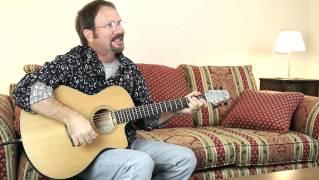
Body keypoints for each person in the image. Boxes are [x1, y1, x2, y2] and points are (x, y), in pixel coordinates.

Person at [13, 0, 207, 179]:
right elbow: (24, 89)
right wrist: (72, 118)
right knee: (140, 163)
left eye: (119, 23)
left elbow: (146, 120)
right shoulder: (73, 61)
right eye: (110, 25)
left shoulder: (130, 70)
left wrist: (177, 108)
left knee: (185, 158)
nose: (120, 30)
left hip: (122, 144)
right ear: (89, 34)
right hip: (81, 153)